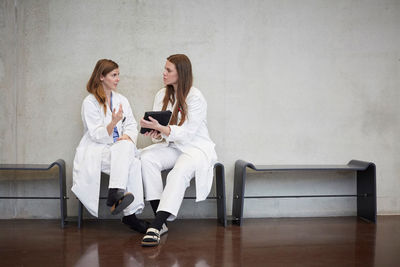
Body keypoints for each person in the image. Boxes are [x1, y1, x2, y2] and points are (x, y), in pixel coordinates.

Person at [139, 54, 217, 247]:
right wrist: (155, 132)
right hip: (173, 146)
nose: (163, 73)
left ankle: (156, 226)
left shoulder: (196, 96)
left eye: (168, 70)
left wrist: (162, 129)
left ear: (180, 73)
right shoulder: (161, 95)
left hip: (195, 148)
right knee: (147, 158)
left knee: (179, 171)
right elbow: (164, 130)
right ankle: (162, 221)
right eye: (164, 69)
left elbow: (188, 132)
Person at [72, 59, 148, 233]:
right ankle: (130, 216)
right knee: (131, 159)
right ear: (101, 77)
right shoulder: (90, 102)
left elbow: (131, 126)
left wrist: (127, 137)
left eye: (118, 75)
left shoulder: (122, 100)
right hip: (98, 151)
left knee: (129, 152)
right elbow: (96, 135)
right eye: (114, 75)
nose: (118, 79)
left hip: (119, 149)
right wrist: (113, 122)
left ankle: (116, 194)